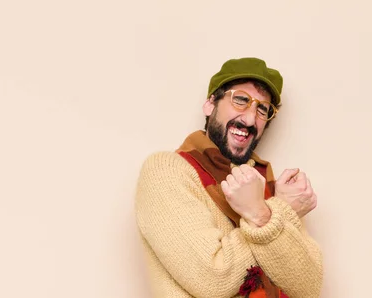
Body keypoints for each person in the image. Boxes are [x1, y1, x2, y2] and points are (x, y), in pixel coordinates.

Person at [134, 57, 324, 298]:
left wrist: (268, 210)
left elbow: (307, 288)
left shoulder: (271, 187)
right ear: (210, 104)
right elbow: (212, 279)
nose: (249, 119)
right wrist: (277, 211)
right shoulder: (167, 170)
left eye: (262, 109)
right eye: (241, 100)